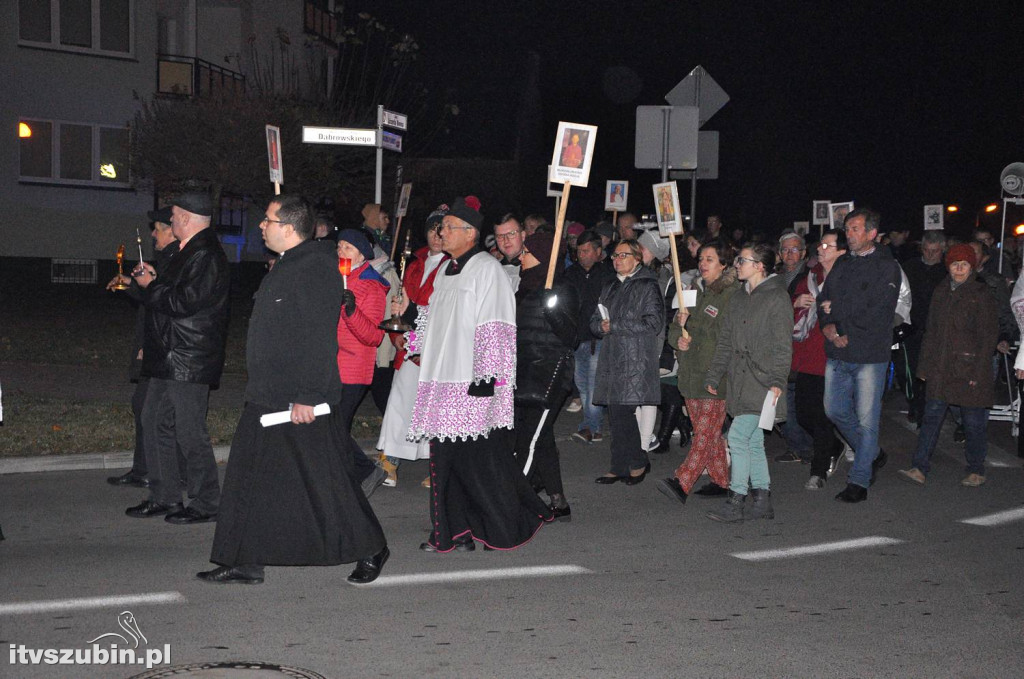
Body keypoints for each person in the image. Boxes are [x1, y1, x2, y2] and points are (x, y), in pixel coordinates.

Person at [198, 195, 388, 585]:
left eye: (268, 220)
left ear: (289, 227)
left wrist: (310, 394)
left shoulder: (316, 268)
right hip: (268, 392)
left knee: (326, 479)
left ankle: (372, 547)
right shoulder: (288, 264)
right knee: (249, 476)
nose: (261, 226)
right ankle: (244, 559)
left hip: (300, 397)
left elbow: (318, 337)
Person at [402, 197, 552, 552]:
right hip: (442, 380)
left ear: (470, 233)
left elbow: (496, 325)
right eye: (441, 227)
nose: (441, 233)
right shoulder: (447, 270)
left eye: (448, 227)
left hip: (472, 383)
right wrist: (414, 329)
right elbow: (434, 318)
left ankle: (506, 524)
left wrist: (487, 378)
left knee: (479, 465)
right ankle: (455, 531)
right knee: (448, 461)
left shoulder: (486, 269)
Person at [126, 191, 229, 524]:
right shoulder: (187, 252)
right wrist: (153, 281)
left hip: (187, 357)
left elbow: (184, 301)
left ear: (185, 217)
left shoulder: (206, 255)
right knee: (153, 421)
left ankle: (206, 501)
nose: (169, 222)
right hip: (168, 354)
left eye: (173, 216)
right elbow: (175, 295)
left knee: (188, 431)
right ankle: (164, 495)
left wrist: (149, 286)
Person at [703, 244, 792, 522]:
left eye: (743, 260)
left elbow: (782, 345)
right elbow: (726, 341)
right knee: (753, 441)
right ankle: (762, 501)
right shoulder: (738, 298)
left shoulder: (777, 297)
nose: (737, 264)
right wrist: (714, 374)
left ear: (760, 266)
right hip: (740, 380)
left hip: (764, 380)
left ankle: (736, 499)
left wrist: (778, 380)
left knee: (738, 437)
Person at [897, 244, 998, 488]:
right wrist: (923, 367)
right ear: (948, 267)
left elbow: (988, 337)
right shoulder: (941, 291)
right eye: (955, 264)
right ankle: (919, 467)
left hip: (969, 368)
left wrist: (979, 371)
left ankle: (976, 468)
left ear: (971, 266)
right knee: (931, 418)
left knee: (972, 421)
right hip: (941, 368)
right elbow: (931, 331)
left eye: (964, 264)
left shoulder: (981, 293)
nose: (960, 268)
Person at [818, 208, 901, 503]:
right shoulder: (842, 265)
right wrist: (828, 325)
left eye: (854, 229)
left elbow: (880, 310)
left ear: (871, 233)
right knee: (834, 410)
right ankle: (873, 453)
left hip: (868, 355)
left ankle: (859, 481)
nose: (849, 234)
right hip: (838, 352)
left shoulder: (887, 267)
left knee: (867, 421)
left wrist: (844, 327)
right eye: (847, 229)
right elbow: (823, 299)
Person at [657, 240, 740, 505]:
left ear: (724, 264)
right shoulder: (692, 291)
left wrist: (693, 328)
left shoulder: (732, 295)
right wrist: (678, 336)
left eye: (710, 259)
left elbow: (725, 336)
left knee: (704, 432)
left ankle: (683, 481)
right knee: (709, 432)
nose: (703, 264)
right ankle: (721, 481)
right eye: (701, 259)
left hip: (715, 374)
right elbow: (674, 328)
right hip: (691, 373)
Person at [375, 205, 450, 486]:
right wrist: (396, 330)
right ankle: (390, 461)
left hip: (436, 344)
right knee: (400, 401)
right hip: (408, 343)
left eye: (442, 230)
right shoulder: (415, 261)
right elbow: (403, 300)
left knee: (432, 406)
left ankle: (437, 466)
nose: (437, 235)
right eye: (433, 229)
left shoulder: (453, 266)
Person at [106, 208, 179, 488]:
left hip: (162, 348)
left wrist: (148, 346)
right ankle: (142, 469)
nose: (153, 234)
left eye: (158, 228)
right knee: (143, 407)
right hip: (154, 345)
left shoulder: (176, 260)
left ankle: (158, 473)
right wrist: (131, 285)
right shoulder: (165, 259)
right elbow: (151, 299)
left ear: (172, 230)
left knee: (154, 411)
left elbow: (165, 307)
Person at [512, 231, 579, 520]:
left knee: (530, 440)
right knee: (542, 438)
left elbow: (572, 336)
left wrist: (554, 310)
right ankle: (558, 502)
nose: (521, 256)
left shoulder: (562, 288)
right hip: (525, 372)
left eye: (527, 252)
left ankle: (516, 501)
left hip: (549, 374)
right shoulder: (524, 288)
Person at [591, 239, 664, 486]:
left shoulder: (647, 286)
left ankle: (637, 461)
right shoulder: (609, 286)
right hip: (612, 357)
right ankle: (619, 465)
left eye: (622, 255)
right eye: (614, 255)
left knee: (623, 413)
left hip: (635, 358)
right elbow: (595, 319)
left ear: (637, 258)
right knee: (616, 413)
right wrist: (599, 326)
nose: (616, 259)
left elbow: (653, 323)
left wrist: (617, 326)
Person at [334, 229, 390, 493]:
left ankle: (367, 472)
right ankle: (347, 477)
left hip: (353, 368)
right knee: (331, 427)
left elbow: (374, 336)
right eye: (339, 246)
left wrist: (351, 311)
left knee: (333, 427)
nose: (341, 252)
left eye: (347, 247)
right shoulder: (338, 278)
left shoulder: (372, 285)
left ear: (361, 253)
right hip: (331, 364)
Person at [793, 230, 848, 490]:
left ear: (842, 251)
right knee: (804, 414)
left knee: (824, 416)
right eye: (821, 244)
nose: (822, 248)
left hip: (833, 354)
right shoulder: (810, 278)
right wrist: (796, 303)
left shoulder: (849, 278)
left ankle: (818, 472)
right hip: (807, 354)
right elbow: (788, 308)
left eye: (829, 245)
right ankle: (835, 445)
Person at [564, 230, 615, 443]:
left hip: (598, 339)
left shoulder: (607, 275)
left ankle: (589, 427)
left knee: (594, 385)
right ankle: (594, 426)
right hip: (577, 339)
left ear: (598, 251)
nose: (582, 255)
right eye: (579, 251)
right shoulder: (570, 274)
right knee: (582, 385)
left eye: (586, 251)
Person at [902, 232, 948, 425]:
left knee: (933, 371)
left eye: (935, 251)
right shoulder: (910, 267)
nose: (930, 255)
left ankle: (928, 409)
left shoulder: (947, 270)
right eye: (927, 250)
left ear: (942, 250)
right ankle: (914, 403)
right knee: (910, 371)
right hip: (912, 328)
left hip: (937, 330)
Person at [775, 231, 813, 464]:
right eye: (785, 250)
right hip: (778, 348)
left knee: (794, 403)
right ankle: (799, 445)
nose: (790, 254)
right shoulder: (774, 278)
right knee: (782, 403)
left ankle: (803, 447)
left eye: (794, 249)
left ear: (804, 252)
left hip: (800, 352)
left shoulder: (810, 278)